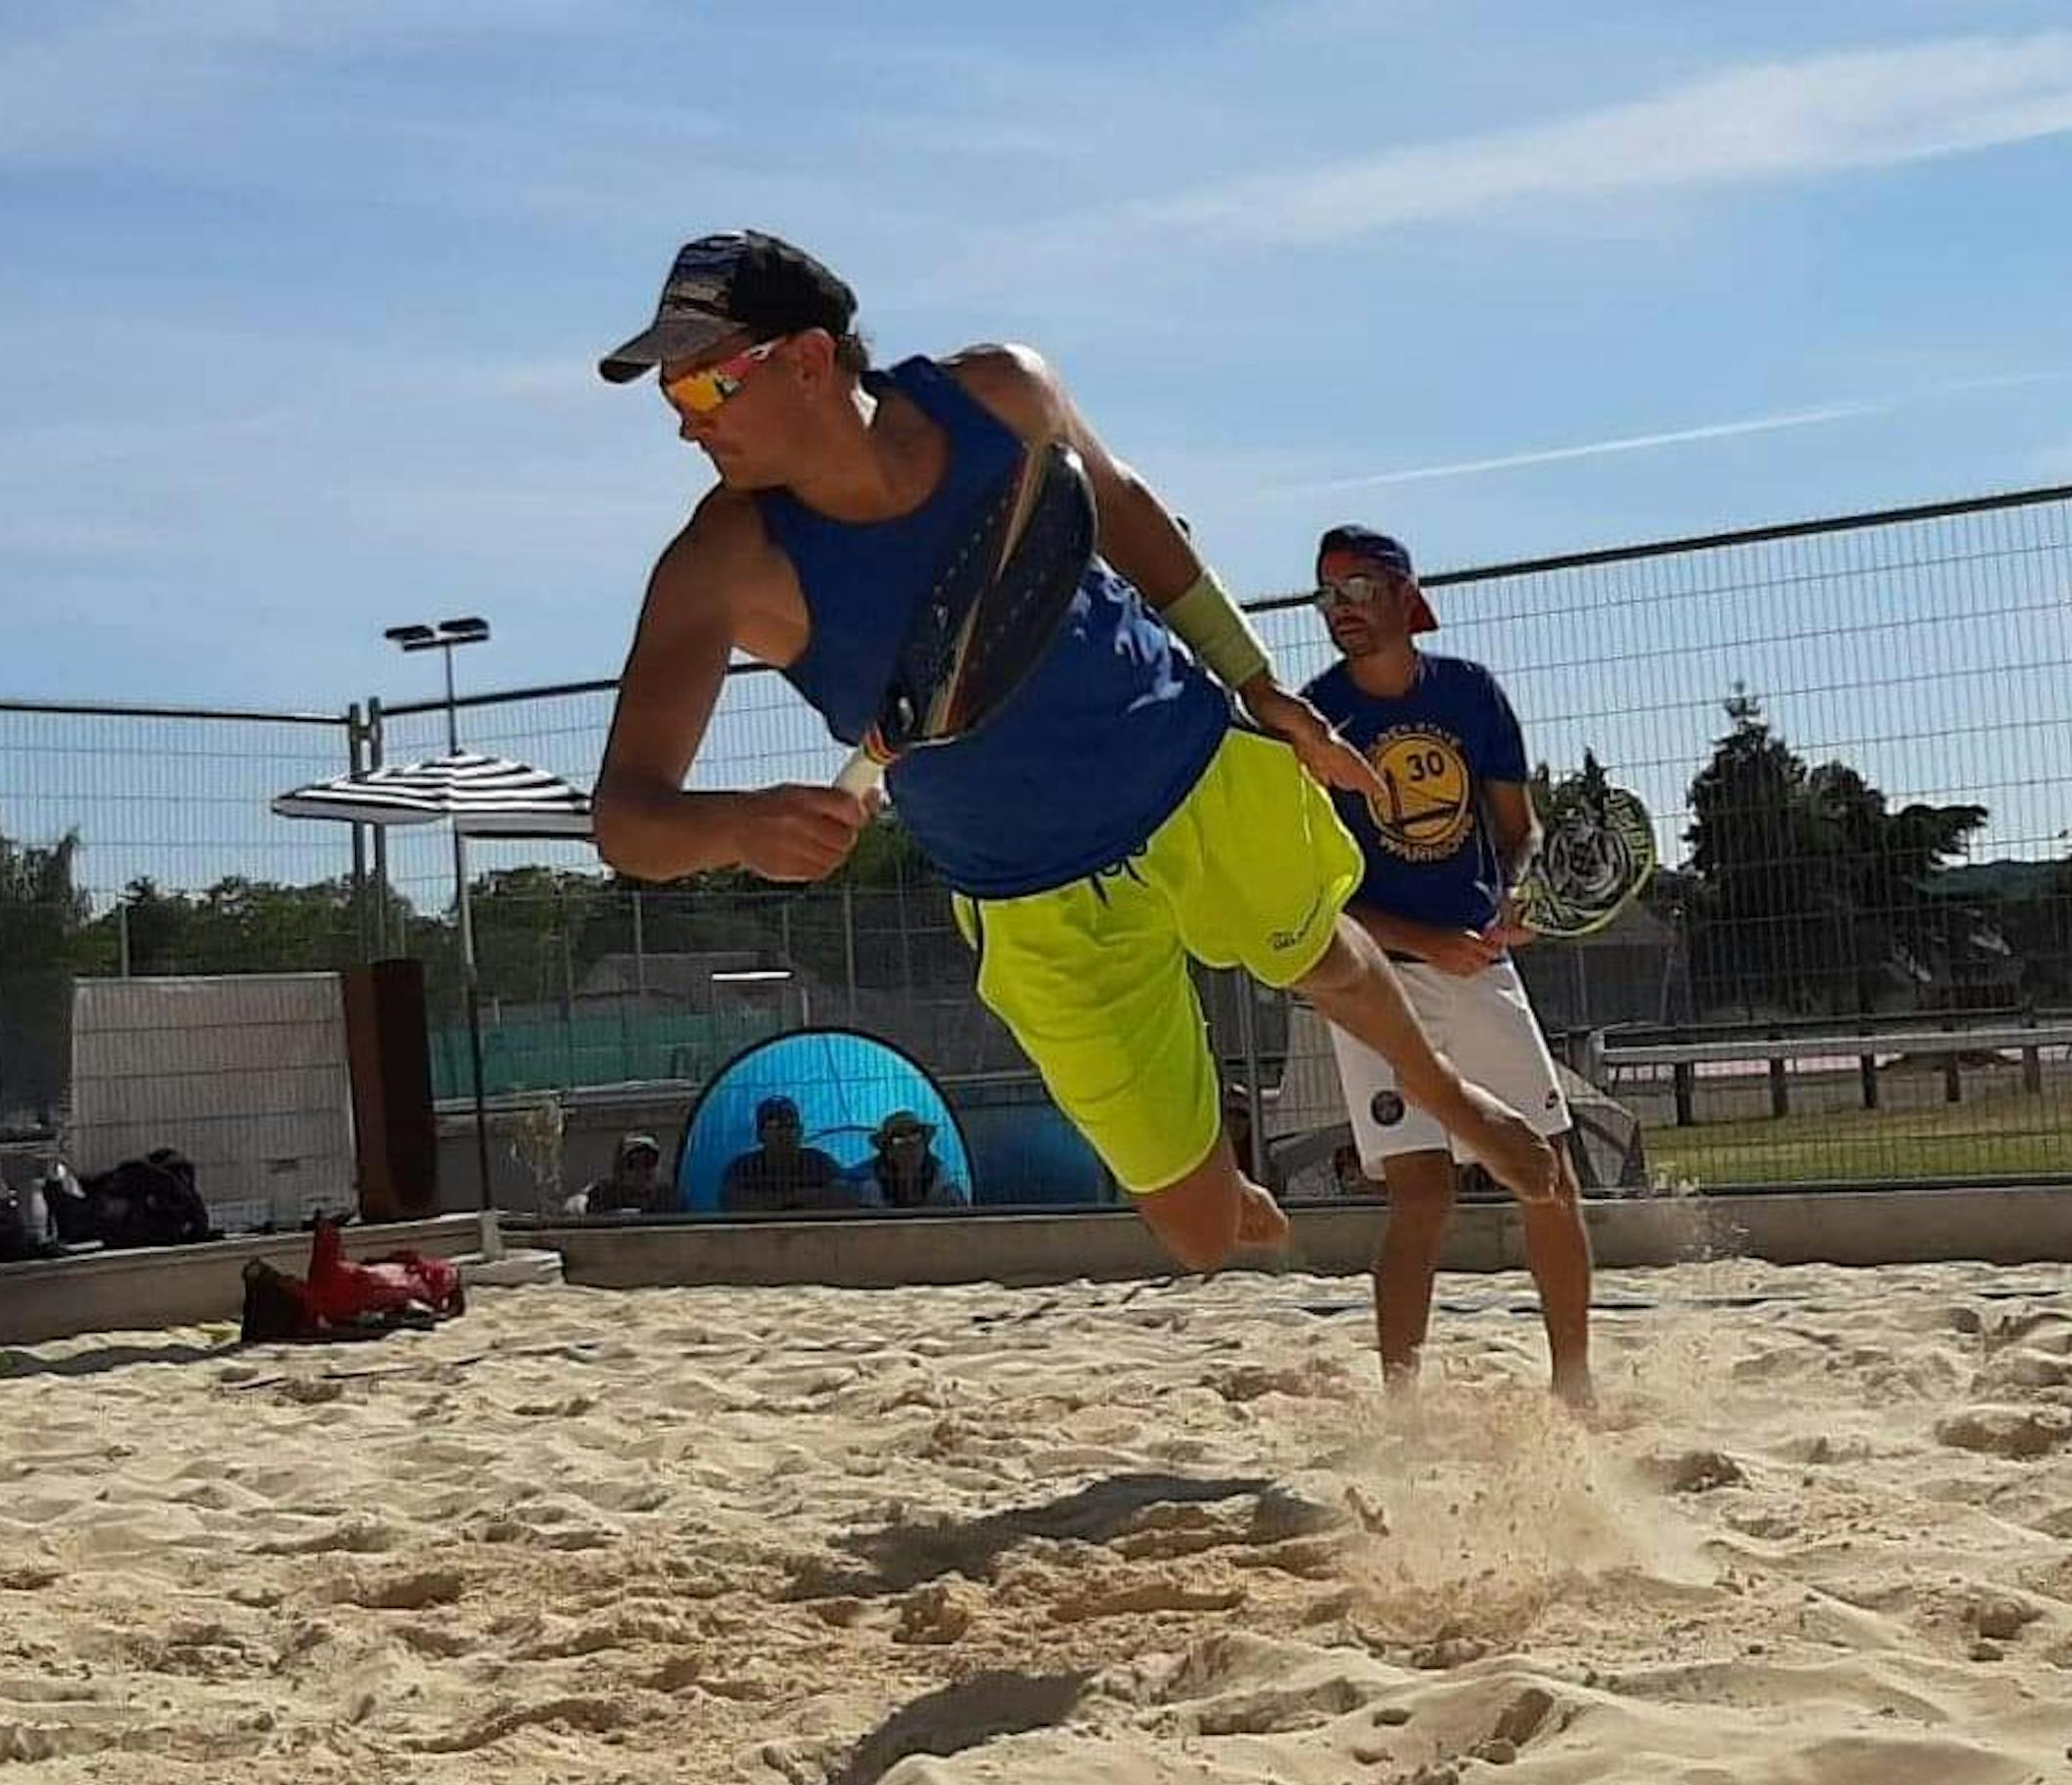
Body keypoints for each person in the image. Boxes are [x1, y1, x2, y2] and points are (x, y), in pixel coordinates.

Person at [585, 230, 1562, 1271]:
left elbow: (1124, 510)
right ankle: (1220, 1181)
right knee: (1198, 1238)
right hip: (1028, 891)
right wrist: (738, 825)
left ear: (811, 360)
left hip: (1183, 759)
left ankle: (1447, 1093)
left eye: (704, 388)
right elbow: (625, 820)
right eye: (673, 398)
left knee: (1320, 951)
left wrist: (1261, 684)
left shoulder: (1004, 393)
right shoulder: (721, 565)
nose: (689, 427)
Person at [1302, 524, 1595, 1403]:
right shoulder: (1316, 721)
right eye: (1326, 596)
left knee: (1550, 1178)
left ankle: (1575, 1390)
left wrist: (1520, 890)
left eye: (1356, 590)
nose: (1340, 611)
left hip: (1474, 967)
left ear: (1403, 593)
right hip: (1370, 975)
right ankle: (1401, 1408)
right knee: (1421, 1195)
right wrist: (1422, 940)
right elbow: (1313, 890)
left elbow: (1520, 830)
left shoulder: (1469, 694)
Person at [720, 1095, 855, 1211]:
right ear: (760, 1135)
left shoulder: (819, 1162)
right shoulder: (743, 1168)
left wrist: (769, 1204)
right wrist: (795, 1198)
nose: (783, 1133)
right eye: (774, 1126)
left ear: (800, 1131)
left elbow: (844, 1195)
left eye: (790, 1126)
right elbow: (730, 1202)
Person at [853, 1109, 966, 1209]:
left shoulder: (943, 1185)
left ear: (925, 1146)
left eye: (916, 1137)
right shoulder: (872, 1189)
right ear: (888, 1152)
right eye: (900, 1141)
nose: (911, 1149)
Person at [575, 1133, 674, 1216]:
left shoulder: (667, 1199)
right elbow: (576, 1205)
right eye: (632, 1164)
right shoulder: (603, 1193)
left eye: (649, 1162)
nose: (642, 1171)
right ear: (619, 1171)